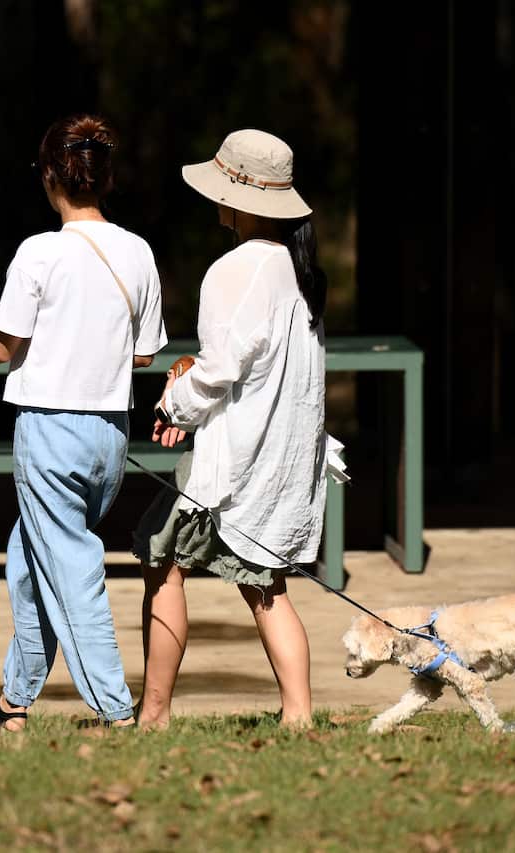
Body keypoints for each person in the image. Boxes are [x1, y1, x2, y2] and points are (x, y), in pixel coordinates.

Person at [0, 114, 167, 731]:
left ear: (51, 176)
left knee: (72, 568)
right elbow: (144, 353)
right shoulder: (137, 252)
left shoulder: (40, 252)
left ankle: (115, 712)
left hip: (50, 432)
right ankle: (13, 704)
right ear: (104, 178)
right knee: (30, 562)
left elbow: (5, 345)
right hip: (109, 435)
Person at [134, 129, 329, 730]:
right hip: (278, 457)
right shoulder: (301, 271)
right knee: (266, 588)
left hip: (232, 459)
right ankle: (299, 716)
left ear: (241, 200)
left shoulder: (234, 270)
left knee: (160, 559)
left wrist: (174, 406)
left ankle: (155, 714)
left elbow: (223, 367)